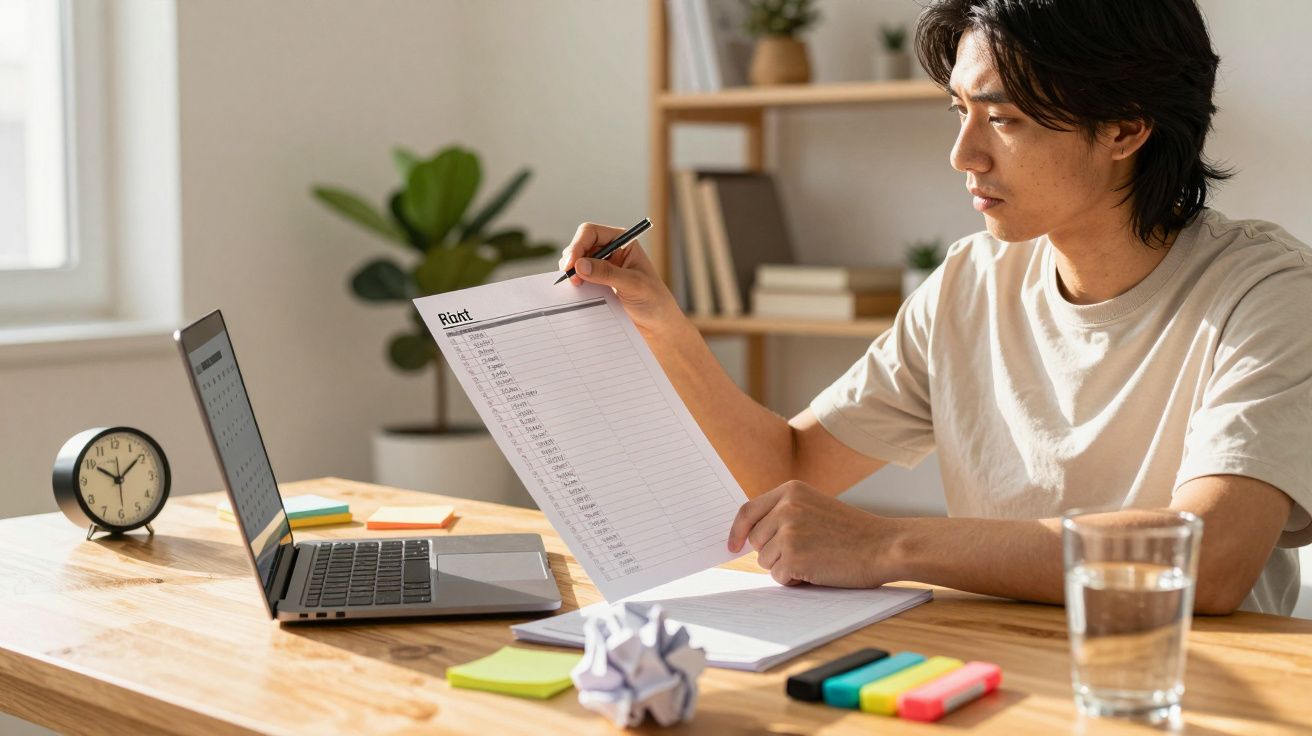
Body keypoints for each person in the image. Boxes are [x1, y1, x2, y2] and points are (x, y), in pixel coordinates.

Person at [559, 0, 1312, 615]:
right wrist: (664, 324)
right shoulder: (969, 282)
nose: (963, 154)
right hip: (1002, 670)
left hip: (1197, 688)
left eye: (1004, 118)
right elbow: (788, 465)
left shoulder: (1267, 291)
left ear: (1124, 127)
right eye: (959, 110)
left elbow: (1209, 556)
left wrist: (888, 546)